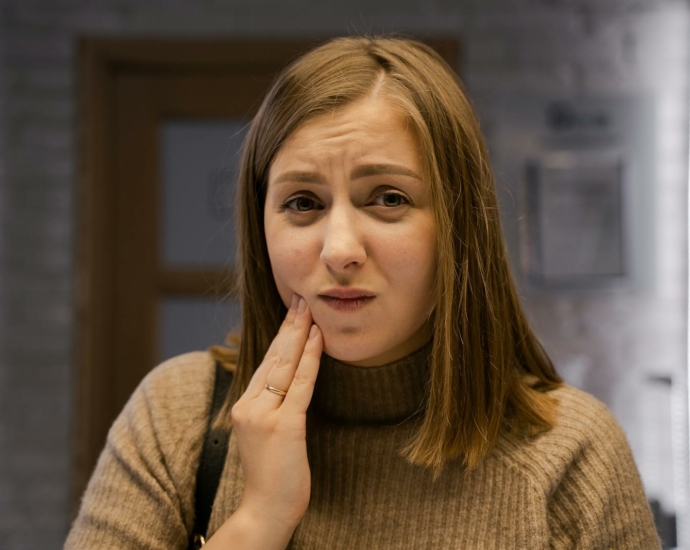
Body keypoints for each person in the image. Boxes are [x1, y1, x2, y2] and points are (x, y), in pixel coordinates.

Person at [65, 36, 661, 549]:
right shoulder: (177, 417)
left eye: (388, 198)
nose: (339, 249)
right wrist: (260, 518)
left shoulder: (572, 453)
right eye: (303, 203)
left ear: (457, 226)